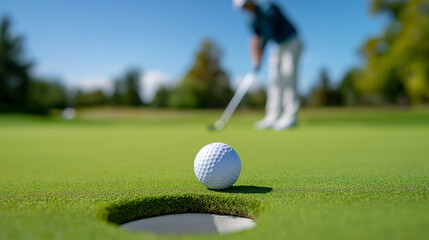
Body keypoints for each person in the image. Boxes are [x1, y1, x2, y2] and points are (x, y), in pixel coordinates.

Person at [233, 0, 303, 130]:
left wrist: (261, 56)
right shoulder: (252, 20)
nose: (245, 8)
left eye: (245, 4)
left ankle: (290, 116)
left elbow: (267, 34)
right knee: (274, 80)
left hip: (291, 41)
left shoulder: (268, 8)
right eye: (242, 7)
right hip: (277, 45)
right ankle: (272, 116)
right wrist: (255, 61)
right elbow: (254, 40)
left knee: (288, 76)